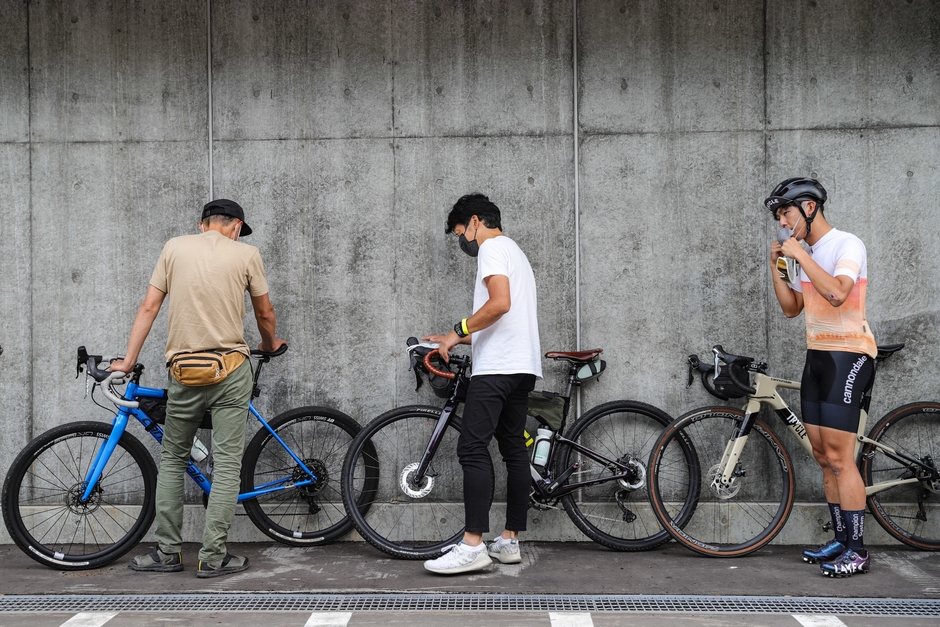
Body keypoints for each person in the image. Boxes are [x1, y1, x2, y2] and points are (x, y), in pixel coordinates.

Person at [110, 199, 285, 578]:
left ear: (202, 224)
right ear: (236, 226)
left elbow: (148, 308)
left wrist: (126, 361)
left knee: (173, 459)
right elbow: (265, 312)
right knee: (225, 466)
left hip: (184, 372)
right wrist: (269, 344)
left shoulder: (174, 247)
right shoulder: (246, 253)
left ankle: (167, 553)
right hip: (230, 369)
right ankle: (214, 557)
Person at [422, 193, 542, 575]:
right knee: (513, 450)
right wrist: (451, 337)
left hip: (498, 370)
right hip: (521, 366)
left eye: (462, 233)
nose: (464, 242)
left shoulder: (492, 248)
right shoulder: (516, 253)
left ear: (475, 222)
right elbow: (500, 322)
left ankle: (473, 545)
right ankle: (508, 541)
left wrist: (456, 332)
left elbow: (499, 304)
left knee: (472, 448)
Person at [767, 178, 877, 577]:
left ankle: (858, 549)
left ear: (809, 207)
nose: (781, 222)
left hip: (849, 356)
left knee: (840, 458)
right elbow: (792, 308)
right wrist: (779, 265)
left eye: (786, 213)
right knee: (821, 456)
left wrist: (799, 254)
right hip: (817, 355)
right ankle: (841, 539)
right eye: (778, 216)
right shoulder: (805, 253)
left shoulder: (847, 244)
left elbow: (837, 293)